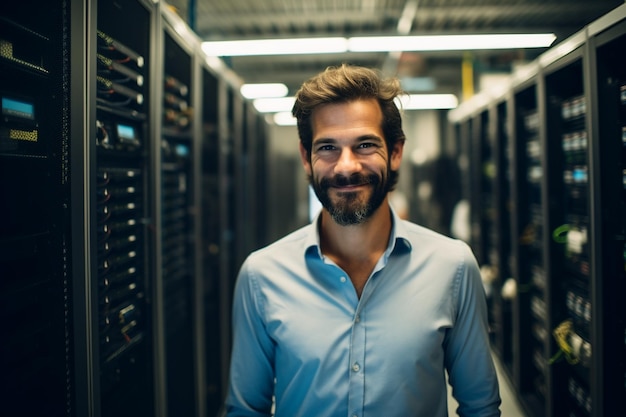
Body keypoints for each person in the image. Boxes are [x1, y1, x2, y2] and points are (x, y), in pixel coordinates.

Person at [225, 64, 501, 417]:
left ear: (396, 151)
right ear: (306, 158)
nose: (346, 166)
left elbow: (480, 407)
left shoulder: (453, 267)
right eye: (327, 147)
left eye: (365, 144)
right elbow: (246, 410)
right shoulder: (261, 275)